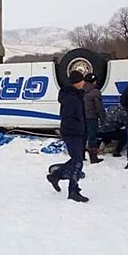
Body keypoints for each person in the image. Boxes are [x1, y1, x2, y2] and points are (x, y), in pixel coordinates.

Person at [45, 71, 89, 203]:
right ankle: (73, 191)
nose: (84, 83)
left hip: (78, 132)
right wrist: (77, 128)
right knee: (77, 162)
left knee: (77, 159)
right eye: (82, 81)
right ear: (77, 82)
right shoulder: (71, 98)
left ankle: (56, 175)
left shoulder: (76, 95)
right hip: (72, 133)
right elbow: (67, 118)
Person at [83, 73, 105, 164]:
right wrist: (103, 118)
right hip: (92, 117)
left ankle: (81, 155)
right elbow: (99, 107)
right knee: (92, 137)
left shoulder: (81, 90)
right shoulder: (95, 91)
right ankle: (93, 157)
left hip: (82, 117)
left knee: (83, 136)